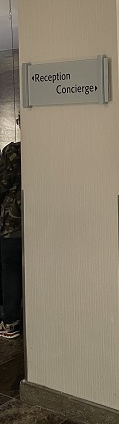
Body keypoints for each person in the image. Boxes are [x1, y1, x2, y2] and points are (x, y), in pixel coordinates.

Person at [0, 140, 22, 339]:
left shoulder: (13, 150)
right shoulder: (51, 147)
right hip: (42, 223)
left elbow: (3, 184)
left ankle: (11, 322)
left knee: (11, 269)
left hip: (12, 224)